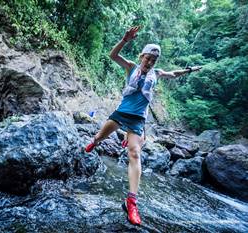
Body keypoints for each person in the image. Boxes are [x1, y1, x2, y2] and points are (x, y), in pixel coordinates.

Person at [85, 26, 202, 225]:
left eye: (154, 60)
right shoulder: (131, 67)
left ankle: (131, 202)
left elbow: (173, 74)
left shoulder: (156, 73)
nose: (150, 62)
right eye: (148, 58)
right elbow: (112, 55)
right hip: (122, 112)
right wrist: (124, 39)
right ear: (142, 56)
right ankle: (95, 141)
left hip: (138, 119)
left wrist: (189, 70)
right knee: (99, 137)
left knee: (135, 153)